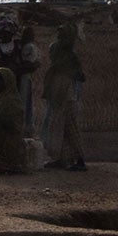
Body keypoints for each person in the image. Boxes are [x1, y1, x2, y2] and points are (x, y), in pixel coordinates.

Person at [42, 21, 88, 171]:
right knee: (62, 128)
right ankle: (61, 159)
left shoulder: (65, 55)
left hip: (66, 95)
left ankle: (78, 159)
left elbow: (80, 76)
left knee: (68, 127)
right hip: (61, 94)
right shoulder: (64, 54)